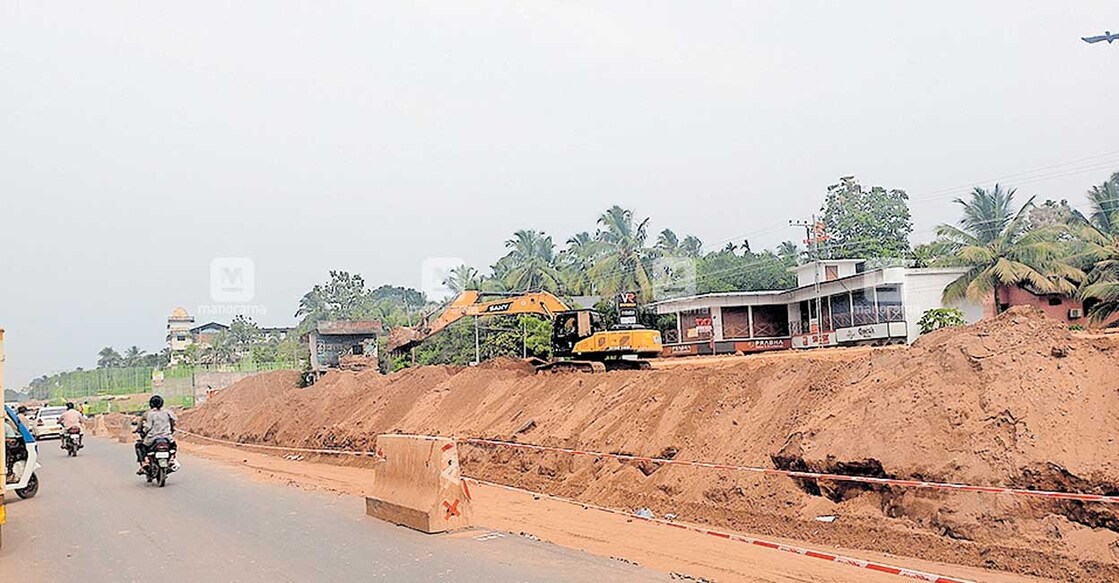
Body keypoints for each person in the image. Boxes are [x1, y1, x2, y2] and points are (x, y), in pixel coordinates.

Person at [135, 395, 176, 474]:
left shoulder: (150, 414)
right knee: (173, 445)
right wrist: (171, 430)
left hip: (152, 437)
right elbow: (173, 422)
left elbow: (148, 427)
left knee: (140, 446)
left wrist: (143, 431)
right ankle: (171, 459)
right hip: (166, 437)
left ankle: (145, 462)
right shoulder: (168, 412)